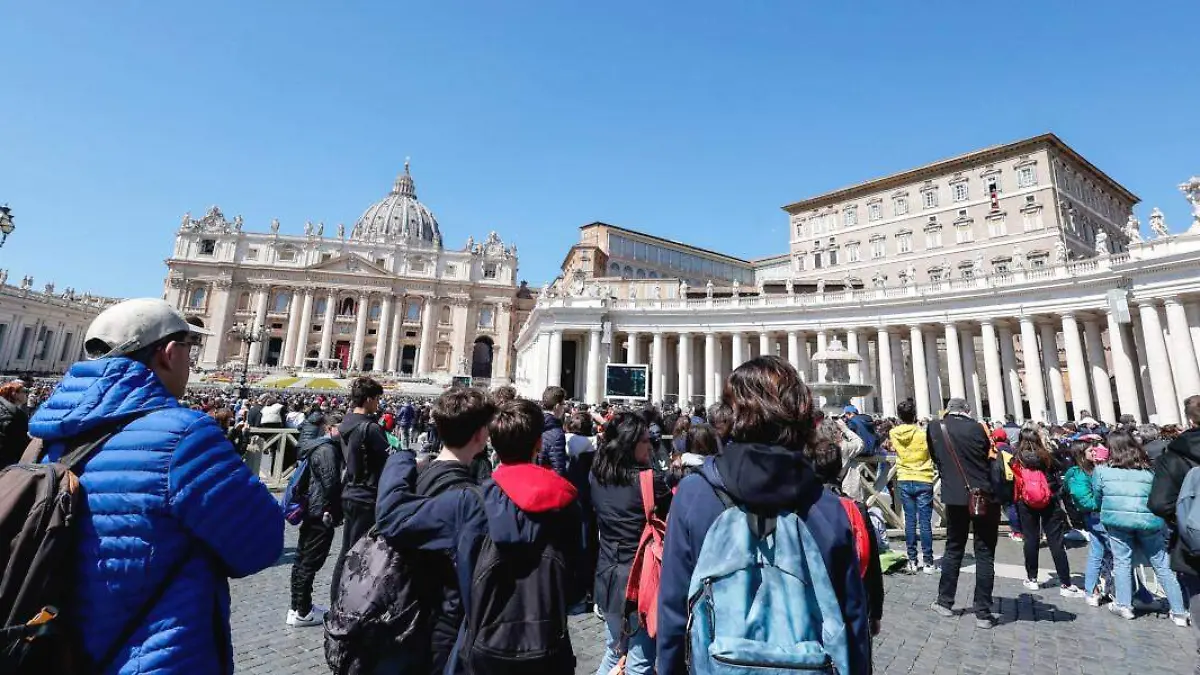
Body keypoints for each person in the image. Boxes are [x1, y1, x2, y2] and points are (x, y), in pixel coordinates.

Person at [28, 298, 283, 672]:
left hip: (50, 648)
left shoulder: (39, 438)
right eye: (188, 348)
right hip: (151, 655)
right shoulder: (184, 436)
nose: (191, 360)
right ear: (166, 353)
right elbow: (261, 544)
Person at [658, 356, 872, 675]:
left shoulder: (693, 496)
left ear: (731, 415)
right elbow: (853, 619)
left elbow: (674, 609)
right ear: (799, 414)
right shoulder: (828, 507)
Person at [375, 396, 582, 675]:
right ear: (539, 445)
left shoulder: (469, 503)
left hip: (484, 645)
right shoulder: (568, 503)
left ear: (492, 444)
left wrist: (401, 458)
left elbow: (393, 518)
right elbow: (578, 584)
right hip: (549, 646)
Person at [415, 389, 496, 675]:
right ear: (479, 434)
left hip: (411, 608)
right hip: (446, 615)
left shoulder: (417, 474)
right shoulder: (468, 497)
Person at [590, 411, 672, 675]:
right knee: (640, 661)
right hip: (641, 580)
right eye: (646, 440)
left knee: (613, 653)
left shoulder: (597, 476)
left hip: (608, 576)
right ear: (629, 443)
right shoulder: (649, 482)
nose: (651, 445)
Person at [1094, 429, 1188, 624]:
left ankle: (1125, 605)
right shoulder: (1148, 471)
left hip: (1117, 521)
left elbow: (1097, 497)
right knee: (1161, 564)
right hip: (1148, 522)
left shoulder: (1102, 471)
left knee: (1122, 561)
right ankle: (1179, 611)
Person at [927, 398, 1001, 628]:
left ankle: (944, 602)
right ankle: (983, 613)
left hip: (953, 497)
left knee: (953, 548)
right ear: (967, 410)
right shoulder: (979, 427)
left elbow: (935, 457)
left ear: (948, 410)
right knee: (985, 553)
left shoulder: (934, 427)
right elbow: (990, 458)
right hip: (983, 496)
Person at [807, 418, 884, 637]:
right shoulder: (855, 510)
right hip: (852, 597)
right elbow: (871, 563)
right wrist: (875, 611)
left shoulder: (801, 505)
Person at [330, 377, 390, 602]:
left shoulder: (345, 422)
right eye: (376, 399)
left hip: (350, 490)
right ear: (368, 399)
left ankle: (337, 596)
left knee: (348, 547)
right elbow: (389, 459)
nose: (378, 404)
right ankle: (349, 600)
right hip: (367, 494)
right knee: (362, 550)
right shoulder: (370, 427)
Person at [1010, 427, 1083, 597]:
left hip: (1026, 501)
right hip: (1049, 499)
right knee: (1056, 541)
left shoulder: (1017, 458)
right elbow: (1060, 469)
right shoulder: (1046, 457)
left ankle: (1032, 578)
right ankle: (1065, 582)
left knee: (1031, 539)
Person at [288, 412, 344, 627]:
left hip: (313, 508)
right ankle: (303, 611)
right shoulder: (327, 450)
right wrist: (336, 511)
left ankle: (297, 607)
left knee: (302, 560)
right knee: (309, 561)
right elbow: (330, 483)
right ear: (329, 428)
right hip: (321, 511)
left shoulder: (317, 447)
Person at [890, 399, 936, 574]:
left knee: (910, 521)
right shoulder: (923, 433)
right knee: (925, 523)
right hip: (923, 478)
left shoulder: (894, 433)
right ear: (914, 414)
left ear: (899, 415)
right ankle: (929, 562)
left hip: (904, 477)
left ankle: (912, 560)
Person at [1063, 438, 1111, 606]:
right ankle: (1099, 589)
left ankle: (1094, 589)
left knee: (1097, 552)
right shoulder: (1077, 474)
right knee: (1112, 552)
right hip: (1095, 515)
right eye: (1091, 451)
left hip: (1100, 515)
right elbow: (1084, 500)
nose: (1094, 452)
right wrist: (1103, 501)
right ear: (1081, 454)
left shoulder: (1095, 469)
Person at [0, 379, 31, 467]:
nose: (26, 394)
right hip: (6, 461)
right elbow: (20, 443)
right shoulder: (16, 416)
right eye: (24, 391)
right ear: (14, 394)